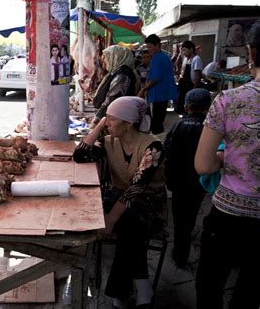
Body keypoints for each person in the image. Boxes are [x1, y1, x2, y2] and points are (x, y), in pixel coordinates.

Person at [73, 96, 165, 309]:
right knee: (128, 228)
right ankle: (142, 285)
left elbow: (136, 188)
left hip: (147, 200)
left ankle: (120, 293)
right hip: (118, 196)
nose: (108, 123)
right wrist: (100, 125)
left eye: (112, 119)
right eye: (107, 119)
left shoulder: (153, 147)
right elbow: (79, 156)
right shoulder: (108, 141)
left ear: (128, 123)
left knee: (128, 225)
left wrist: (111, 219)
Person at [194, 23, 260, 309]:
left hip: (229, 215)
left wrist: (223, 157)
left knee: (210, 285)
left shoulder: (229, 100)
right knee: (251, 293)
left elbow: (203, 165)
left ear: (250, 52)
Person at [164, 88, 211, 267]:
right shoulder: (208, 129)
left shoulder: (178, 126)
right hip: (198, 182)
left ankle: (179, 253)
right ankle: (188, 233)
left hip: (178, 182)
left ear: (186, 106)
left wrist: (168, 178)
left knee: (178, 217)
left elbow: (167, 152)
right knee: (192, 212)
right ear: (207, 108)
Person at [138, 34, 178, 135]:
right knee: (159, 121)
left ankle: (158, 143)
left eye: (150, 46)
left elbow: (154, 79)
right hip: (163, 93)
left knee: (156, 123)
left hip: (158, 94)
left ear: (157, 45)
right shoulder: (164, 57)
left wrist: (143, 89)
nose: (149, 49)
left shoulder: (157, 58)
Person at [92, 45, 138, 124]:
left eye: (106, 57)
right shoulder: (117, 72)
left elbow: (112, 97)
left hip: (118, 117)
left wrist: (98, 117)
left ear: (116, 57)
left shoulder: (123, 74)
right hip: (114, 115)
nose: (104, 60)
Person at [175, 40, 203, 114]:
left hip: (191, 86)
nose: (183, 52)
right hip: (184, 86)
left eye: (184, 50)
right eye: (182, 50)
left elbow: (198, 75)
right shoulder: (186, 59)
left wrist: (195, 88)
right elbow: (181, 71)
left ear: (191, 49)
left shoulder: (196, 59)